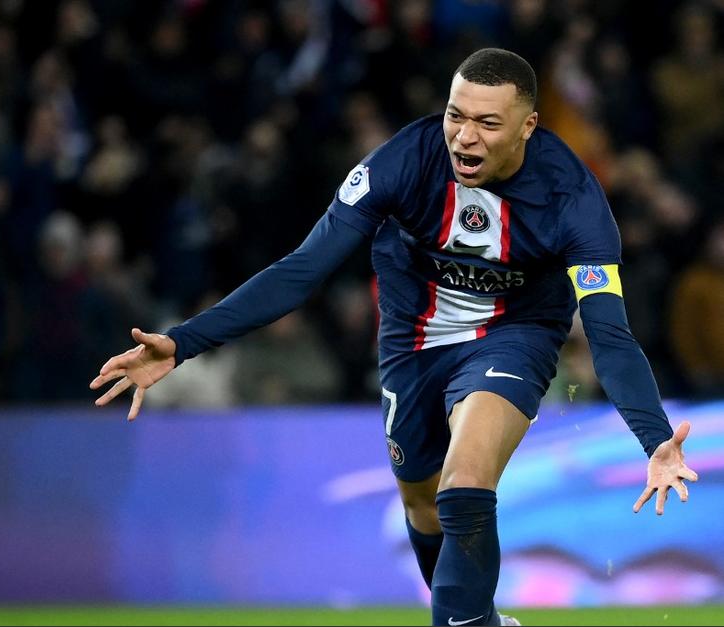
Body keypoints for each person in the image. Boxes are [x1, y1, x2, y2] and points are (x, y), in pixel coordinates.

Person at [89, 48, 698, 626]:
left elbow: (609, 335)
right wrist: (184, 341)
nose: (464, 136)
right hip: (410, 341)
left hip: (513, 336)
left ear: (528, 126)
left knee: (464, 483)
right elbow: (303, 270)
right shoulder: (403, 162)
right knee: (423, 504)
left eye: (488, 123)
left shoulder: (574, 200)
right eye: (456, 116)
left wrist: (654, 439)